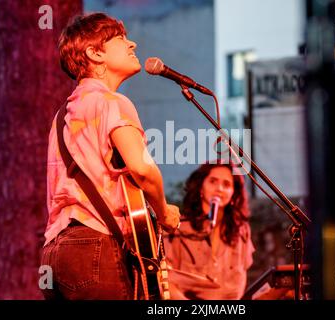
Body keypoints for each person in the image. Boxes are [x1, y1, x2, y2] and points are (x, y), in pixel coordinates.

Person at [40, 13, 180, 300]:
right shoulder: (112, 103)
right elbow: (141, 169)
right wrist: (165, 214)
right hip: (95, 248)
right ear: (94, 53)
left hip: (55, 255)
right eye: (120, 39)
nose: (133, 44)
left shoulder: (61, 117)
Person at [164, 161, 255, 300]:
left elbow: (241, 280)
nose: (219, 188)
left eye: (226, 184)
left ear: (233, 193)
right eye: (213, 181)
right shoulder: (177, 227)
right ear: (201, 187)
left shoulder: (241, 231)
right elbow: (166, 280)